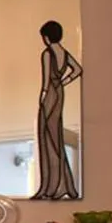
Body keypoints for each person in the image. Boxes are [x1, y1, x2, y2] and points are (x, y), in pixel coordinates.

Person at [32, 20, 83, 199]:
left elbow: (45, 79)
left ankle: (50, 187)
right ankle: (61, 184)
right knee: (56, 138)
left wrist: (43, 94)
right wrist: (63, 82)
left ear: (46, 37)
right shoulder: (64, 53)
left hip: (51, 95)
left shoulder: (47, 54)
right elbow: (77, 70)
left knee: (47, 137)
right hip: (59, 93)